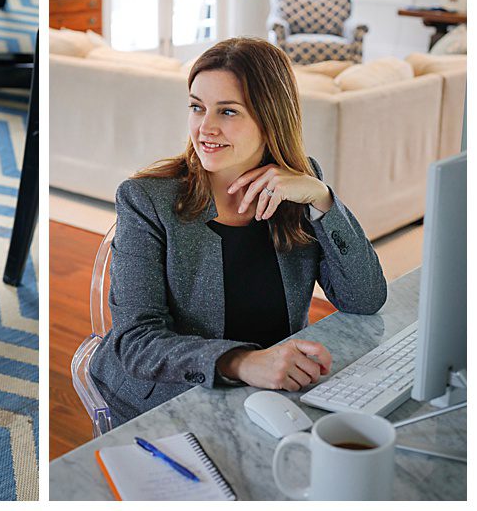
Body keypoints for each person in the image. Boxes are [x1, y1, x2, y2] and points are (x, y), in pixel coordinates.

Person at [91, 37, 388, 426]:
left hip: (271, 392)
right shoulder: (146, 200)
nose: (205, 128)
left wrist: (323, 199)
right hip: (167, 401)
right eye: (197, 107)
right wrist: (243, 362)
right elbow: (137, 343)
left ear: (271, 119)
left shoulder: (299, 185)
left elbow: (365, 298)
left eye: (228, 112)